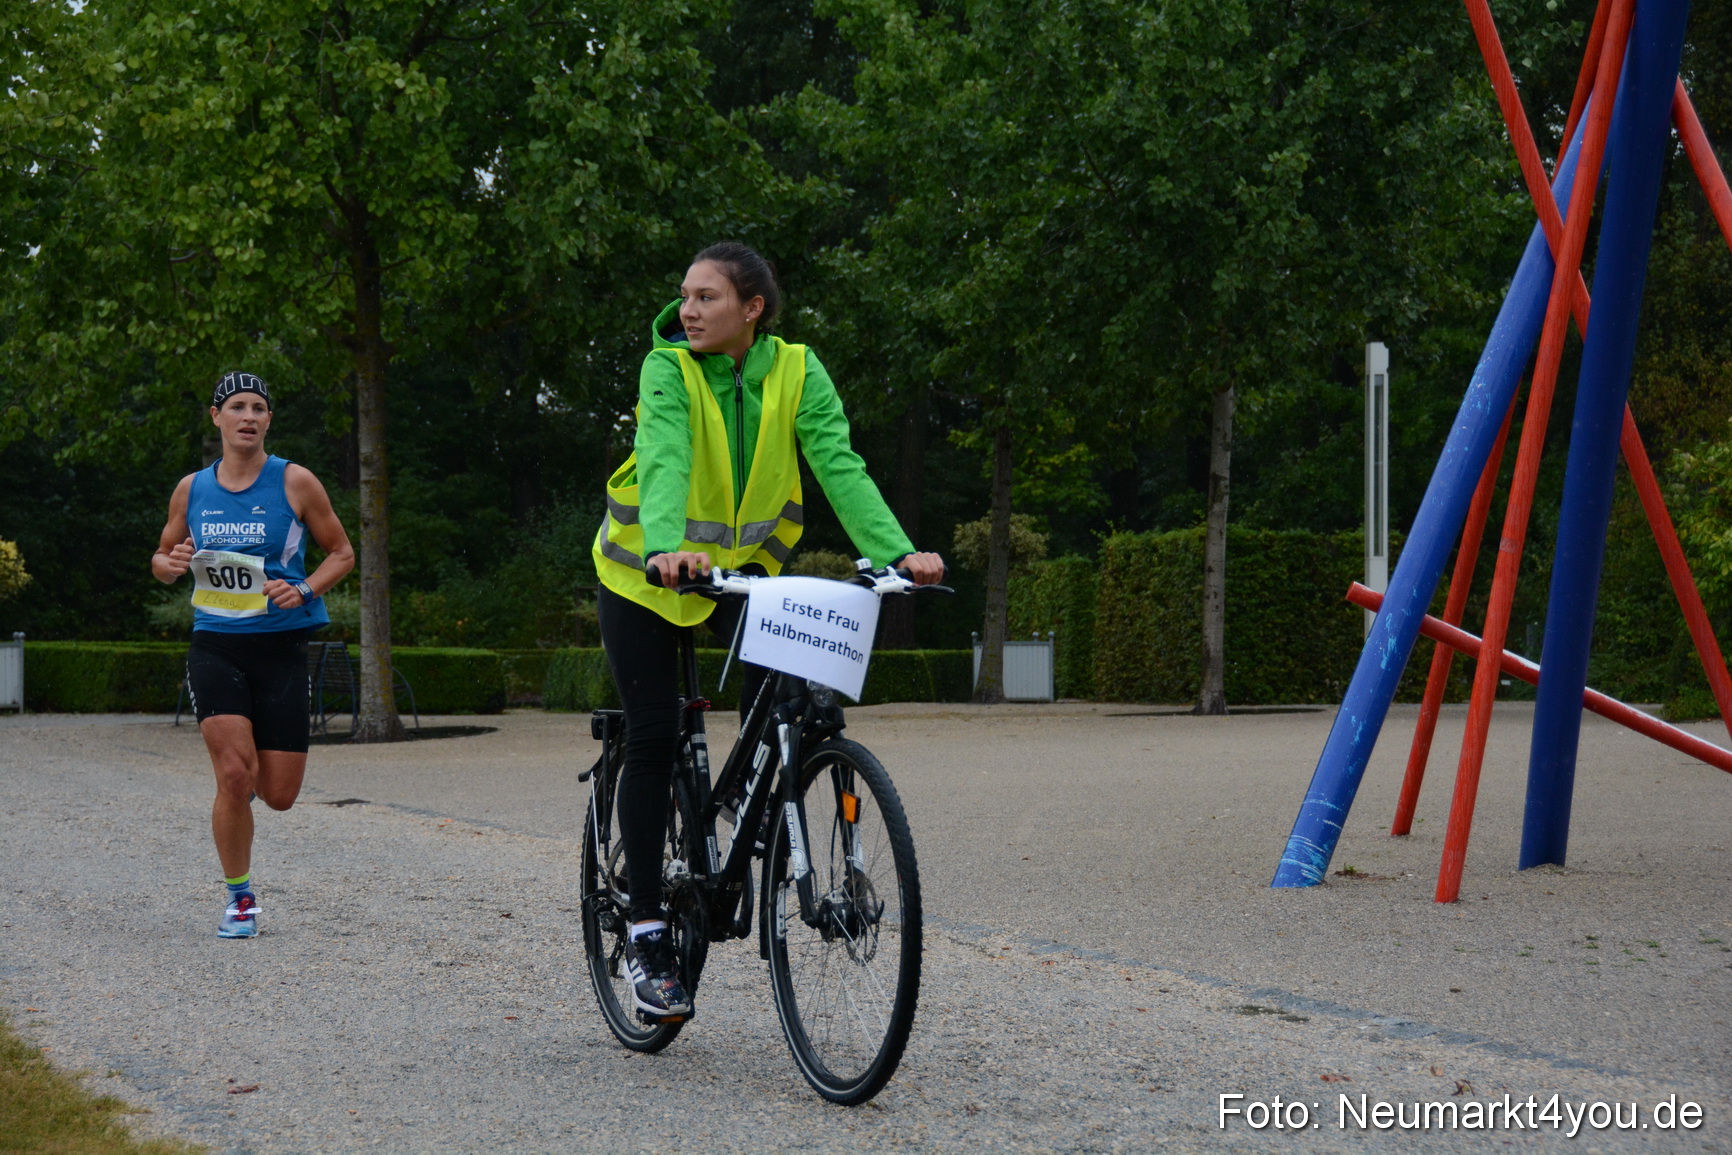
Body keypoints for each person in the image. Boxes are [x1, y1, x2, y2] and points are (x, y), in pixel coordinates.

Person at [593, 242, 945, 1019]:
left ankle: (736, 819)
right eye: (685, 294)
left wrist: (896, 552)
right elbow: (664, 457)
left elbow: (837, 461)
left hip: (739, 573)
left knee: (787, 694)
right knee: (653, 736)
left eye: (706, 297)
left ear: (752, 308)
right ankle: (647, 931)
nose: (687, 309)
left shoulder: (797, 369)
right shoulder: (669, 369)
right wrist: (662, 547)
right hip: (644, 572)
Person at [151, 372, 355, 938]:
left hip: (281, 646)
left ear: (268, 420)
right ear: (215, 417)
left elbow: (341, 552)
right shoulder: (191, 489)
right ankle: (239, 899)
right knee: (235, 775)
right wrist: (166, 565)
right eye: (236, 407)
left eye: (258, 408)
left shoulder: (295, 482)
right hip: (215, 644)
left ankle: (255, 786)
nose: (248, 416)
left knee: (280, 794)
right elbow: (164, 556)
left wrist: (305, 588)